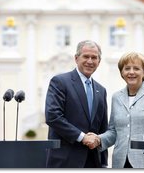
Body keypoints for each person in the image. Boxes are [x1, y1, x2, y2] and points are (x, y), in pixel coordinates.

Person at [86, 52, 144, 168]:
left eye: (136, 68)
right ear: (122, 73)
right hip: (121, 162)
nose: (131, 72)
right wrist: (98, 139)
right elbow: (114, 131)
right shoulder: (116, 97)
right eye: (127, 68)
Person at [45, 40, 108, 168]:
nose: (90, 61)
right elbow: (53, 116)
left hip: (93, 162)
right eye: (86, 56)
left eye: (94, 57)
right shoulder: (60, 82)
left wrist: (104, 162)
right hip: (65, 161)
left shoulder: (101, 90)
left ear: (99, 62)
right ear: (76, 58)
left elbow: (103, 128)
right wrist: (82, 137)